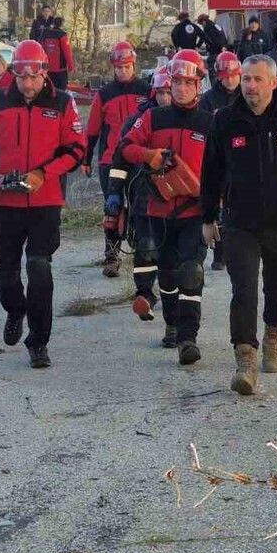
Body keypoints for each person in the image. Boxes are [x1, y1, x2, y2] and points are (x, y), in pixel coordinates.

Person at [0, 40, 86, 369]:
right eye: (22, 77)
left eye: (34, 77)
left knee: (39, 268)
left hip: (46, 201)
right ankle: (15, 310)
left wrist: (44, 174)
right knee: (6, 270)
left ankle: (39, 341)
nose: (28, 84)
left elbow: (76, 150)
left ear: (45, 73)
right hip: (6, 201)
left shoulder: (62, 102)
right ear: (14, 73)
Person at [201, 54, 277, 396]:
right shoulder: (224, 120)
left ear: (273, 83)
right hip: (240, 223)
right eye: (246, 78)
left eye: (257, 79)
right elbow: (211, 172)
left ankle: (273, 337)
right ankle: (245, 359)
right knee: (244, 290)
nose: (250, 85)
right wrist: (208, 217)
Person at [118, 50, 212, 366]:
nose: (182, 88)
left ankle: (188, 338)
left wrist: (219, 207)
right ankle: (171, 323)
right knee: (168, 276)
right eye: (178, 82)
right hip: (158, 211)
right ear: (169, 84)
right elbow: (126, 147)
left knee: (191, 272)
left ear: (199, 84)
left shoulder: (210, 122)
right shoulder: (152, 118)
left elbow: (225, 168)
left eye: (189, 82)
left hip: (194, 211)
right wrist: (149, 156)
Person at [107, 66, 176, 348]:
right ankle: (145, 296)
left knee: (176, 262)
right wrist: (114, 193)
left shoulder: (194, 121)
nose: (166, 98)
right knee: (145, 249)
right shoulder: (137, 122)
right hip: (144, 197)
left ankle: (176, 322)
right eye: (161, 93)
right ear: (153, 93)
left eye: (169, 92)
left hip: (180, 201)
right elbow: (120, 159)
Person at [83, 41, 151, 277]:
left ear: (134, 64)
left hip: (138, 158)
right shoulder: (104, 94)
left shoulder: (147, 90)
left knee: (140, 205)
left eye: (127, 66)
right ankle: (111, 256)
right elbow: (92, 129)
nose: (123, 71)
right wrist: (85, 159)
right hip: (110, 159)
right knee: (112, 207)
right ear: (113, 67)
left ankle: (138, 245)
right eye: (119, 67)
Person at [199, 50, 241, 273]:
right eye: (226, 76)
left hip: (241, 156)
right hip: (217, 156)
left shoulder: (246, 95)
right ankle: (219, 253)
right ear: (218, 76)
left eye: (234, 75)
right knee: (218, 207)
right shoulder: (208, 100)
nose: (231, 80)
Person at [39, 17, 75, 93]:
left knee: (49, 91)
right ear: (61, 24)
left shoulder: (44, 35)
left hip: (47, 69)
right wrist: (71, 67)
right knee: (61, 92)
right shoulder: (62, 35)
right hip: (60, 70)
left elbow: (41, 51)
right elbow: (67, 53)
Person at [197, 14, 228, 82]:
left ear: (204, 21)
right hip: (222, 51)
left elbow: (203, 38)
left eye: (201, 24)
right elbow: (223, 37)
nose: (202, 26)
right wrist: (223, 46)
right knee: (220, 70)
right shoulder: (216, 25)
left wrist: (197, 46)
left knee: (212, 71)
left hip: (214, 51)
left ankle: (214, 87)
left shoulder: (207, 27)